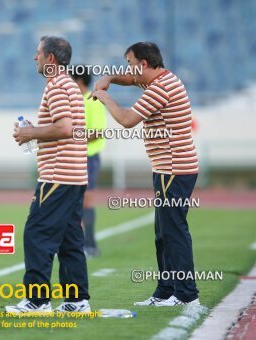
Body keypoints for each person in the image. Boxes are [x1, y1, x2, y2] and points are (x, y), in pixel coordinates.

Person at [91, 42, 200, 306]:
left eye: (130, 63)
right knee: (163, 233)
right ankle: (166, 291)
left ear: (143, 64)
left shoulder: (160, 88)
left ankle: (187, 295)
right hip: (168, 168)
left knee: (173, 232)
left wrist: (104, 96)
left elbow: (127, 120)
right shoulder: (160, 79)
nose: (128, 69)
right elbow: (129, 79)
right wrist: (110, 78)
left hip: (173, 169)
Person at [7, 36, 90, 314]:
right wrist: (36, 131)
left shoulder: (56, 85)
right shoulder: (68, 84)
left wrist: (31, 132)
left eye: (38, 53)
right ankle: (76, 301)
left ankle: (37, 301)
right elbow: (65, 128)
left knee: (37, 234)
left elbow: (64, 128)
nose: (35, 57)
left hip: (57, 176)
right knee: (69, 240)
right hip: (75, 175)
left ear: (50, 58)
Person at [70, 67, 107, 258]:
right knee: (72, 202)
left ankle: (90, 245)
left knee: (86, 202)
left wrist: (70, 139)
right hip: (75, 156)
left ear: (79, 81)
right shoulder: (74, 102)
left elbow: (97, 132)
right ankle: (77, 244)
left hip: (88, 157)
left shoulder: (92, 101)